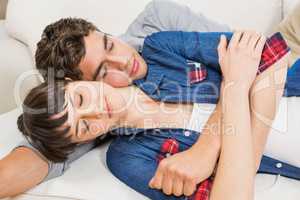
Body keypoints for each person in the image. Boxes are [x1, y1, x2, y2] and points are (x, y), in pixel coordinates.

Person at [0, 0, 297, 198]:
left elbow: (267, 55)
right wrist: (238, 82)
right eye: (83, 127)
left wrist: (208, 150)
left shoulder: (158, 45)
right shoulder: (127, 157)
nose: (93, 112)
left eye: (80, 100)